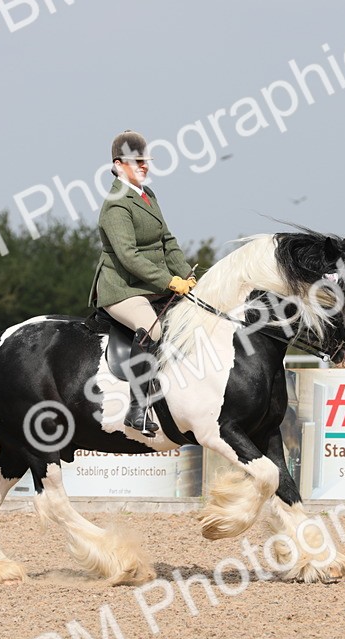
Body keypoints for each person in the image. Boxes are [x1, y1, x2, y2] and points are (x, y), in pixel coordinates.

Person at [89, 129, 196, 436]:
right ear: (119, 164)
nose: (144, 166)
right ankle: (137, 409)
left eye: (145, 161)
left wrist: (188, 276)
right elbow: (128, 256)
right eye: (137, 162)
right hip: (121, 288)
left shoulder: (148, 196)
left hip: (152, 285)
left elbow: (167, 240)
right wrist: (169, 281)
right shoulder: (116, 204)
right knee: (154, 328)